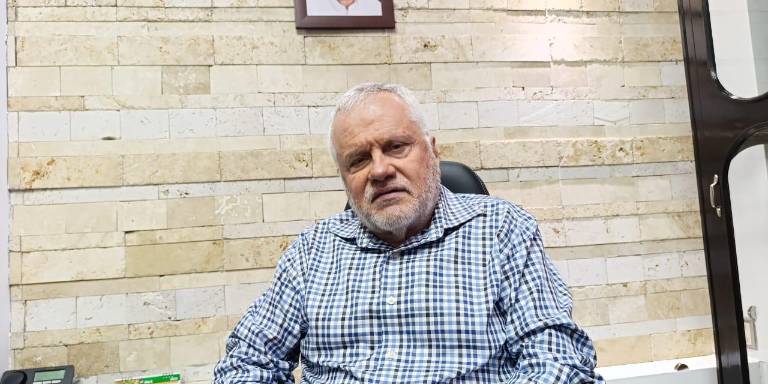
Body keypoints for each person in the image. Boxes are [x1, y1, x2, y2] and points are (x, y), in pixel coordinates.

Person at [214, 83, 605, 383]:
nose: (379, 170)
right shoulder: (312, 252)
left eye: (396, 147)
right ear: (344, 177)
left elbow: (558, 361)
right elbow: (245, 361)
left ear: (432, 151)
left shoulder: (502, 230)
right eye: (358, 160)